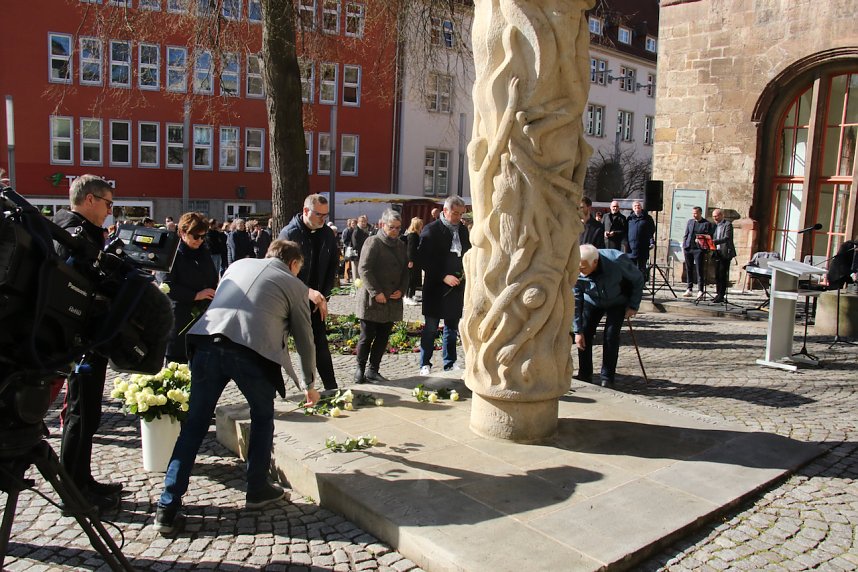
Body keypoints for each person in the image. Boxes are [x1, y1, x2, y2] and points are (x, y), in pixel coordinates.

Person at [154, 240, 319, 533]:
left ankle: (167, 505)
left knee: (194, 425)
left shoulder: (238, 264)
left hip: (207, 342)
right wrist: (309, 383)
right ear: (294, 264)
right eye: (298, 268)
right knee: (263, 416)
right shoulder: (295, 285)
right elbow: (305, 337)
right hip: (251, 353)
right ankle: (256, 487)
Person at [52, 174, 122, 512]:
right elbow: (77, 282)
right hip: (79, 336)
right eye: (108, 204)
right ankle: (72, 492)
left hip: (88, 335)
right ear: (90, 199)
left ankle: (83, 479)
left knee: (89, 414)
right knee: (79, 415)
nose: (109, 211)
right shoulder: (73, 232)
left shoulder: (77, 229)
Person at [278, 194, 339, 390]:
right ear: (306, 211)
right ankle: (271, 392)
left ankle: (331, 387)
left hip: (316, 301)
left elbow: (332, 265)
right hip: (290, 300)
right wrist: (305, 292)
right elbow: (280, 272)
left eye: (326, 215)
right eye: (319, 214)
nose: (323, 219)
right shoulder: (289, 234)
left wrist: (324, 295)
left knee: (320, 342)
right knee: (279, 345)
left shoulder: (327, 233)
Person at [573, 244, 645, 388]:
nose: (580, 272)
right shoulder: (575, 268)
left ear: (595, 262)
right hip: (591, 300)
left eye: (584, 268)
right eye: (578, 268)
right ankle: (585, 374)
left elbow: (638, 279)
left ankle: (607, 377)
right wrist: (577, 331)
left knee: (611, 336)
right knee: (585, 334)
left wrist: (633, 305)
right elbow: (575, 301)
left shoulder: (617, 260)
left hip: (617, 301)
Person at [353, 209, 409, 384]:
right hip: (373, 299)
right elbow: (364, 269)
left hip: (392, 299)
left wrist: (402, 289)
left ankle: (373, 370)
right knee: (367, 336)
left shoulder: (400, 245)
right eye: (391, 227)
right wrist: (376, 292)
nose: (395, 231)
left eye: (398, 228)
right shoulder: (373, 242)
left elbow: (405, 271)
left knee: (383, 337)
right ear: (382, 225)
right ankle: (360, 369)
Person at [417, 195, 471, 374]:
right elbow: (423, 259)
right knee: (431, 328)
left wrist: (465, 272)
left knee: (451, 329)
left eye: (461, 214)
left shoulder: (462, 230)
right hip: (436, 287)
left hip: (456, 286)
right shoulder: (431, 230)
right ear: (445, 210)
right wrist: (443, 276)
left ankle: (450, 362)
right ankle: (425, 363)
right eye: (455, 213)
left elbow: (467, 253)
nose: (458, 217)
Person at [163, 212, 219, 363]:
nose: (199, 240)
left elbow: (212, 276)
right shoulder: (173, 253)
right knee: (178, 361)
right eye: (196, 236)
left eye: (203, 236)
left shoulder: (203, 252)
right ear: (183, 233)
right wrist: (196, 295)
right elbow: (167, 286)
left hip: (203, 318)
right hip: (180, 317)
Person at [682, 206, 715, 299]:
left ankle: (700, 290)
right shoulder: (690, 222)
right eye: (693, 213)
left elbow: (708, 236)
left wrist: (701, 241)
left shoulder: (706, 223)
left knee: (699, 269)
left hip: (699, 249)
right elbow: (686, 234)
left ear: (700, 213)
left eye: (696, 213)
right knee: (689, 268)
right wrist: (684, 244)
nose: (694, 215)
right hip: (688, 248)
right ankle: (689, 288)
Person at [711, 209, 736, 303]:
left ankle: (721, 295)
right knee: (717, 274)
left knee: (722, 274)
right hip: (717, 252)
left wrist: (714, 242)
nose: (715, 218)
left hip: (725, 252)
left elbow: (727, 237)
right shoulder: (715, 225)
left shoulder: (727, 224)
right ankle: (718, 294)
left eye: (716, 216)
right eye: (713, 216)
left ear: (721, 215)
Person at [626, 200, 656, 275]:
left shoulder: (648, 218)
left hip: (643, 249)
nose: (637, 207)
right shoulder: (629, 219)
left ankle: (641, 282)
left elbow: (651, 231)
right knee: (631, 270)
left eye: (638, 206)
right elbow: (625, 232)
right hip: (631, 249)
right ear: (633, 208)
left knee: (641, 270)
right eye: (635, 206)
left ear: (641, 207)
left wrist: (652, 242)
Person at [403, 217, 424, 305]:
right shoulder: (413, 235)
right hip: (412, 260)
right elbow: (410, 249)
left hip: (415, 260)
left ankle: (412, 295)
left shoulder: (414, 234)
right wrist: (410, 260)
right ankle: (407, 296)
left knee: (414, 279)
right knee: (410, 279)